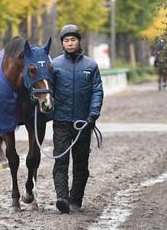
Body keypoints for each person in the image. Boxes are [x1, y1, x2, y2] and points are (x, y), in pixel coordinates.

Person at [52, 24, 103, 214]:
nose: (70, 43)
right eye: (66, 40)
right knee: (61, 161)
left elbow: (97, 91)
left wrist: (93, 115)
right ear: (62, 44)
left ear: (79, 41)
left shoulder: (91, 65)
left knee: (81, 164)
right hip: (61, 122)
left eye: (73, 39)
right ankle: (62, 198)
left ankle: (76, 200)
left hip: (83, 123)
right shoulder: (55, 65)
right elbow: (48, 91)